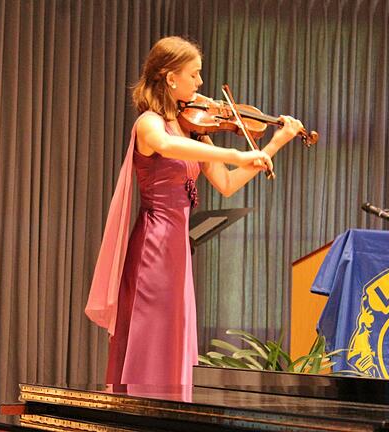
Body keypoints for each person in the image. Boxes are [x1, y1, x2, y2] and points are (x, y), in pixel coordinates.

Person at [85, 36, 303, 386]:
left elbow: (227, 184)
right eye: (194, 74)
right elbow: (167, 145)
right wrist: (238, 154)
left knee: (174, 331)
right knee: (151, 331)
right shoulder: (150, 123)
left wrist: (274, 143)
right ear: (171, 78)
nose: (201, 84)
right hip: (153, 246)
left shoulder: (195, 131)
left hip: (177, 248)